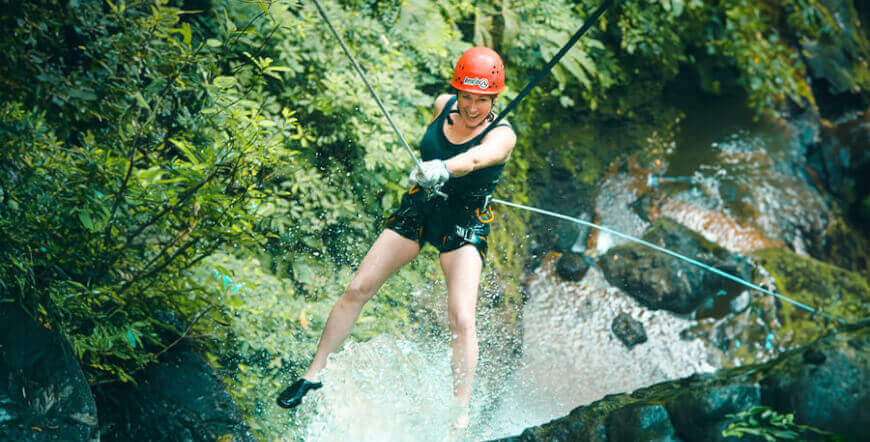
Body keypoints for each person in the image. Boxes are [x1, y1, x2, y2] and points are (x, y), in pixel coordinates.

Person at [276, 46, 516, 430]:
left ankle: (460, 413)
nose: (472, 108)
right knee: (358, 287)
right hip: (422, 205)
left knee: (462, 316)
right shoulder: (442, 105)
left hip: (465, 219)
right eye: (467, 97)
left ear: (495, 98)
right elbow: (436, 140)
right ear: (456, 91)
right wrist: (428, 170)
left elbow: (472, 160)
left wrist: (441, 167)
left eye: (482, 100)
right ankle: (313, 374)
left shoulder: (503, 136)